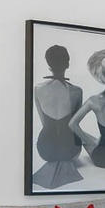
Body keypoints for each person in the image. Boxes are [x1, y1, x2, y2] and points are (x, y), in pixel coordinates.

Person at [30, 45, 84, 189]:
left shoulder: (37, 89)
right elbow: (75, 125)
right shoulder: (77, 91)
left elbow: (43, 121)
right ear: (68, 63)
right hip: (71, 150)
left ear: (48, 64)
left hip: (44, 149)